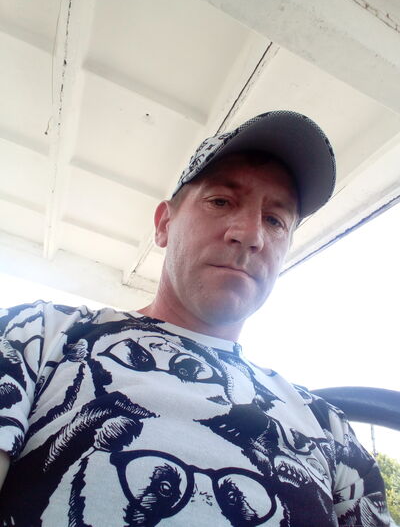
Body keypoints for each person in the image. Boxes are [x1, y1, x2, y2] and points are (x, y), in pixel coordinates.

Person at [0, 111, 390, 526]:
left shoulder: (326, 426)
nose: (250, 235)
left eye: (275, 220)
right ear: (164, 224)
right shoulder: (38, 335)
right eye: (221, 201)